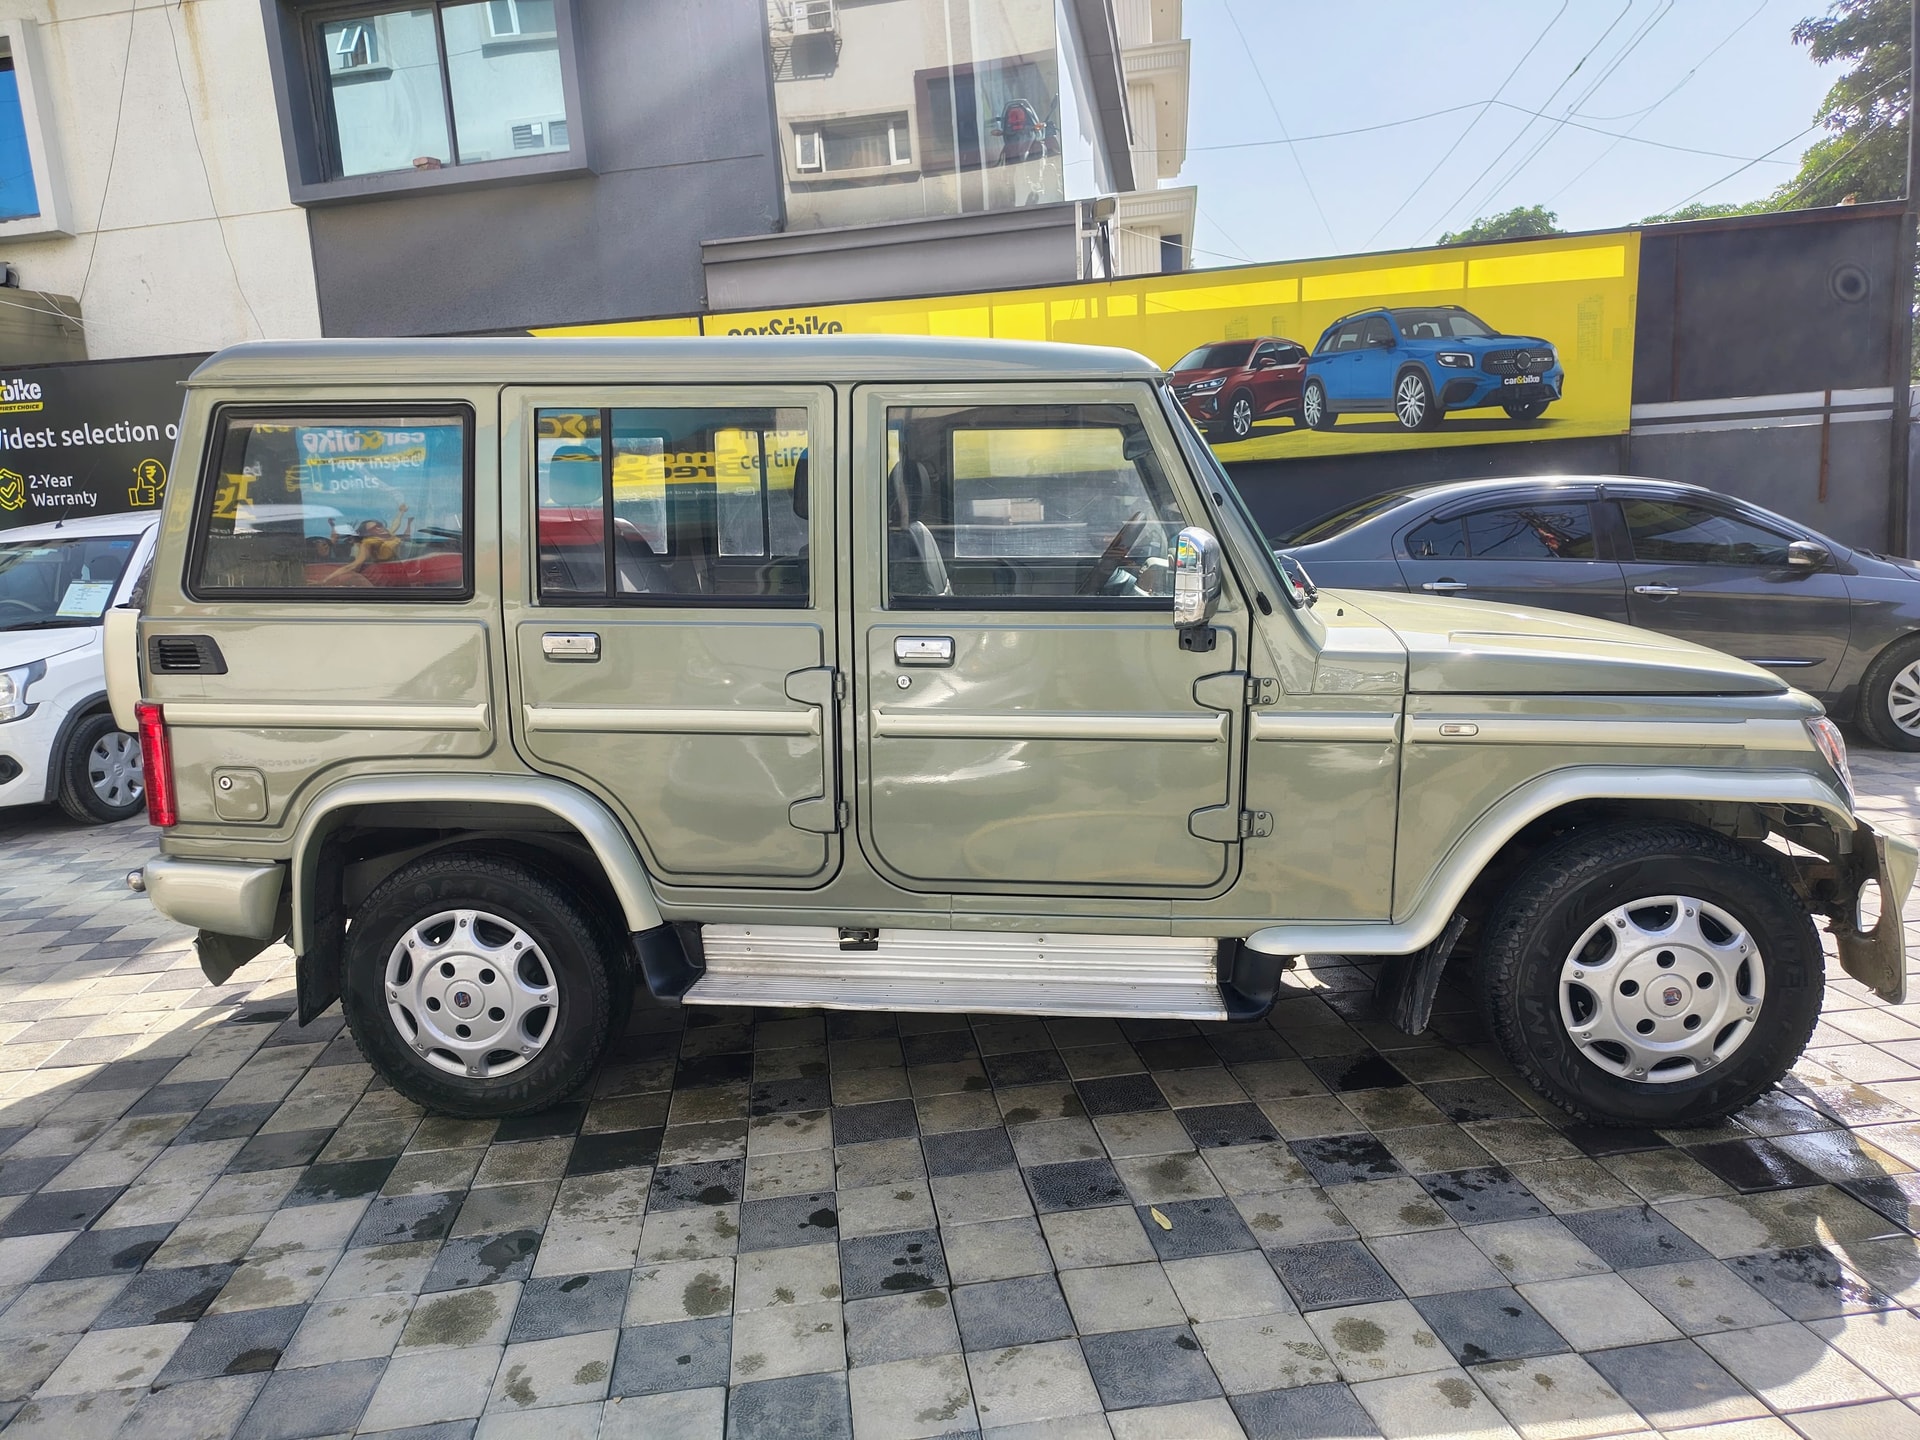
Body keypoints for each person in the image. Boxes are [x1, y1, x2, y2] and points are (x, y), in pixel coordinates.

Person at [323, 500, 411, 584]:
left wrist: (401, 512)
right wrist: (326, 580)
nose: (379, 528)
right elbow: (355, 565)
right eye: (374, 528)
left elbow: (395, 524)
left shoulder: (389, 535)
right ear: (369, 533)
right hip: (386, 577)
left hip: (400, 572)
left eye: (379, 525)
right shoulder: (368, 543)